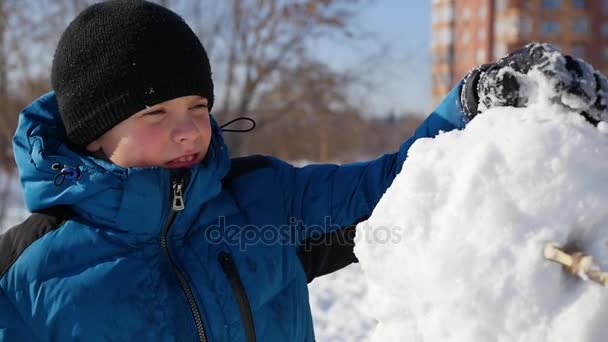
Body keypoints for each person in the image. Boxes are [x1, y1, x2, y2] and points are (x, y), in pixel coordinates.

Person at [0, 1, 605, 341]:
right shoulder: (24, 277)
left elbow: (398, 187)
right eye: (155, 112)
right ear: (93, 133)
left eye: (198, 107)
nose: (188, 129)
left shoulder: (264, 202)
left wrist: (476, 100)